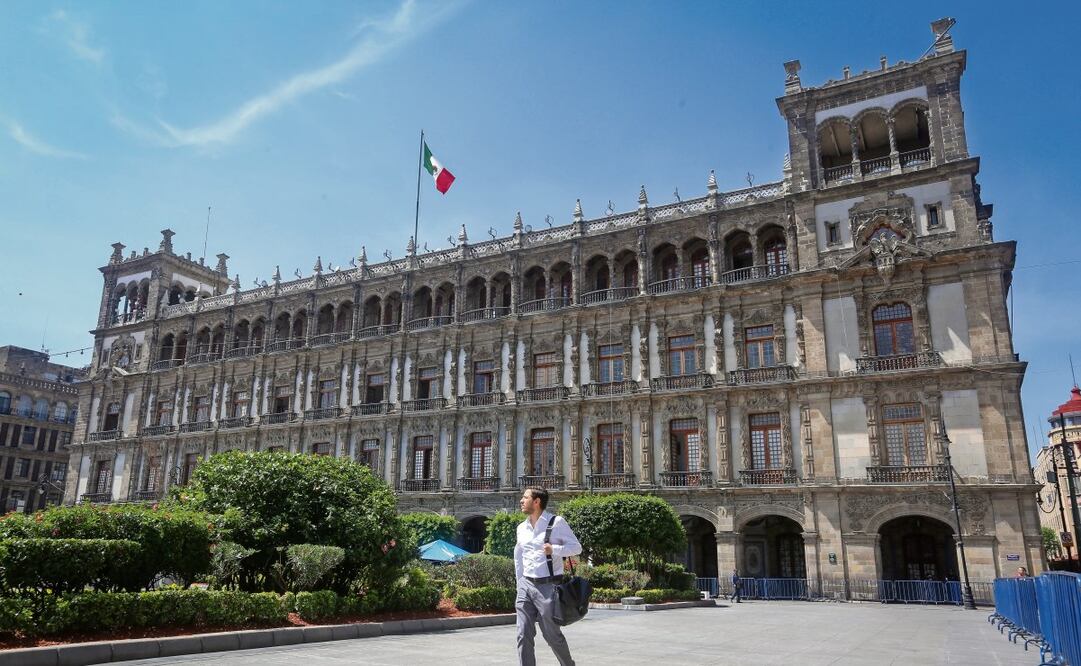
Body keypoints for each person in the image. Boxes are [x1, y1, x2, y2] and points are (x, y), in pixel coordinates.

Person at [514, 487, 582, 666]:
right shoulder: (521, 527)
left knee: (551, 634)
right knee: (522, 632)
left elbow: (577, 547)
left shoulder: (556, 522)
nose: (521, 500)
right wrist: (519, 582)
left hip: (548, 586)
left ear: (536, 502)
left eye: (525, 497)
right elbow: (518, 556)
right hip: (525, 585)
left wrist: (554, 549)